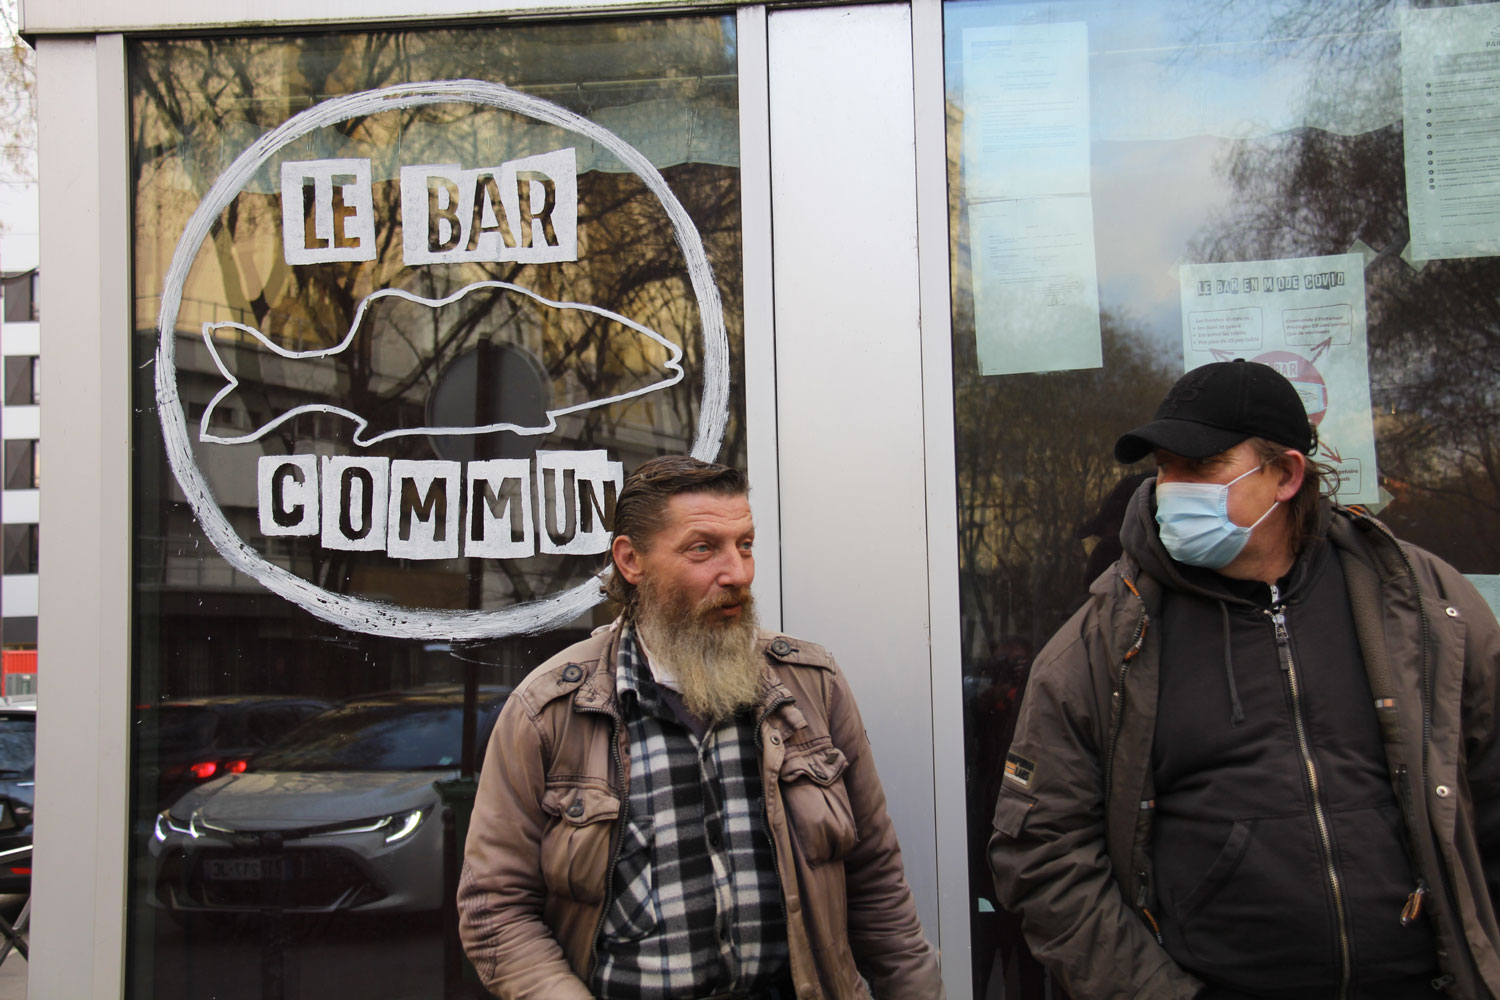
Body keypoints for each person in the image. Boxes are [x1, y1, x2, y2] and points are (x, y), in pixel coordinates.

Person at [988, 359, 1500, 999]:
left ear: (1286, 474)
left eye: (1200, 468)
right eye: (1164, 468)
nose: (1170, 489)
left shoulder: (1422, 607)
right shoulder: (1103, 643)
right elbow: (1043, 855)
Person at [459, 455, 943, 1000]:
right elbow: (495, 910)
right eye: (703, 548)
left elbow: (876, 878)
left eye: (746, 545)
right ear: (631, 560)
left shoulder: (812, 686)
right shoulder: (550, 711)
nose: (737, 573)